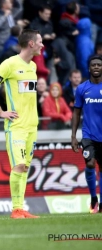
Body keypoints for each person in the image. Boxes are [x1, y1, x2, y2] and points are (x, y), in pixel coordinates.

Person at [0, 29, 43, 219]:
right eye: (40, 42)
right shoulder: (9, 64)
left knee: (25, 167)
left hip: (32, 127)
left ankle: (20, 208)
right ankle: (15, 209)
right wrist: (1, 112)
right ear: (31, 44)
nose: (43, 45)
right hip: (16, 127)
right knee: (18, 165)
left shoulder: (33, 67)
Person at [71, 55, 102, 214]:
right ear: (89, 68)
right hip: (88, 135)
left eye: (99, 65)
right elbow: (76, 113)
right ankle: (93, 198)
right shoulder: (82, 88)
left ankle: (101, 203)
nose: (96, 67)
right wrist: (73, 136)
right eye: (93, 65)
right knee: (90, 164)